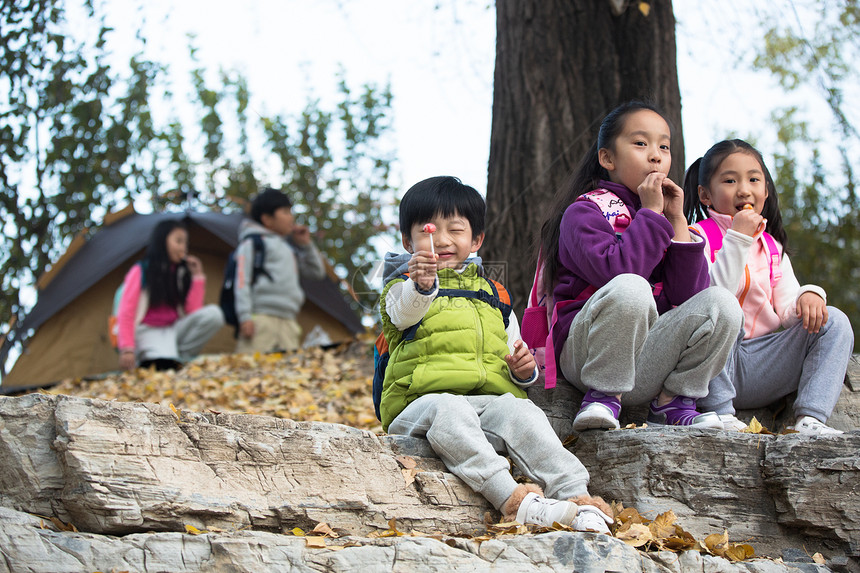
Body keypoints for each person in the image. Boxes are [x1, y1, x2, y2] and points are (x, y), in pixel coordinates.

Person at [380, 176, 614, 532]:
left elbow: (514, 349)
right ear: (407, 240)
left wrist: (524, 372)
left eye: (455, 229)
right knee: (451, 408)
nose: (441, 240)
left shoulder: (494, 293)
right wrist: (421, 286)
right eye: (428, 231)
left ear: (476, 240)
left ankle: (577, 498)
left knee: (520, 409)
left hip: (484, 404)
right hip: (420, 406)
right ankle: (513, 500)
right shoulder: (400, 289)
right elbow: (403, 316)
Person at [536, 100, 743, 432]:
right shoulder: (585, 212)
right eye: (640, 143)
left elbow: (687, 299)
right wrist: (649, 215)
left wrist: (675, 220)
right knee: (632, 287)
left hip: (643, 362)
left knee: (722, 304)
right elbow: (616, 274)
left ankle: (672, 402)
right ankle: (602, 395)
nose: (656, 155)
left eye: (664, 145)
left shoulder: (663, 217)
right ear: (608, 158)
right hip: (587, 353)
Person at [684, 139, 854, 435]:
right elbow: (710, 300)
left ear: (765, 190)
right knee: (727, 311)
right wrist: (738, 238)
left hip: (760, 364)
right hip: (710, 367)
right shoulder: (697, 236)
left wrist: (810, 295)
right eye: (729, 180)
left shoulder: (772, 248)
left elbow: (789, 311)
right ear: (705, 195)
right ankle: (720, 413)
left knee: (835, 321)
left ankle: (811, 419)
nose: (744, 189)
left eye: (753, 179)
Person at [117, 219, 224, 370]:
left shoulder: (181, 273)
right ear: (162, 241)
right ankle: (167, 359)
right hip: (148, 330)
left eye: (185, 243)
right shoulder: (141, 270)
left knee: (214, 314)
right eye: (178, 241)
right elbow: (126, 312)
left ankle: (179, 358)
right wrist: (127, 348)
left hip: (174, 329)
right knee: (163, 366)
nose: (183, 247)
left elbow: (193, 312)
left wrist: (197, 277)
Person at [234, 187, 326, 353]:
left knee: (287, 374)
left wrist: (306, 245)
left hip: (289, 321)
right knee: (251, 369)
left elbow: (317, 272)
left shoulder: (289, 248)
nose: (291, 217)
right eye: (285, 212)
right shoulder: (252, 243)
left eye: (290, 211)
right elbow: (242, 280)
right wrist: (245, 317)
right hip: (260, 319)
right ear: (267, 219)